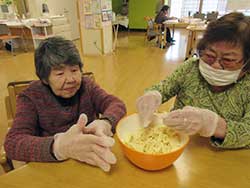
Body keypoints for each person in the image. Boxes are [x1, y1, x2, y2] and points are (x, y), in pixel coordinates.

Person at [4, 37, 127, 172]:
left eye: (74, 70)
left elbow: (116, 104)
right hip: (53, 167)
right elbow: (13, 142)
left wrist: (105, 123)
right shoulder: (31, 97)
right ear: (44, 78)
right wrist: (59, 147)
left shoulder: (87, 85)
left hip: (91, 161)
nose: (70, 80)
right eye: (60, 73)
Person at [136, 12, 250, 149]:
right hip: (175, 145)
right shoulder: (191, 68)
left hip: (222, 156)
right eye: (209, 55)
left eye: (228, 60)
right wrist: (153, 95)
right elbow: (166, 86)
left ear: (247, 62)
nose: (215, 65)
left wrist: (215, 125)